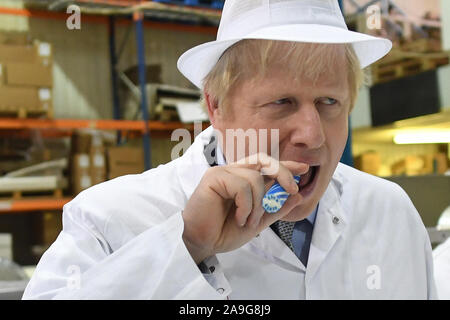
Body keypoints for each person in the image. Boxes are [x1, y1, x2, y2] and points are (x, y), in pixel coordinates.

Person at [23, 0, 437, 299]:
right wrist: (184, 247)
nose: (312, 135)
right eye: (282, 103)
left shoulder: (390, 214)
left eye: (329, 103)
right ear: (216, 106)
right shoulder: (113, 218)